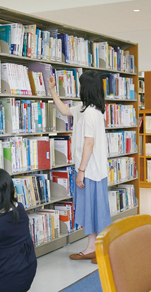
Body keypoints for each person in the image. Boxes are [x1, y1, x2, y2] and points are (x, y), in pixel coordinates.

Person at [47, 71, 111, 264]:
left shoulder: (91, 113)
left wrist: (81, 171)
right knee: (92, 210)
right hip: (90, 169)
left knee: (96, 210)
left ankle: (102, 249)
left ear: (87, 87)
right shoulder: (85, 109)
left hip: (90, 170)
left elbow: (89, 144)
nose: (79, 87)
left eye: (81, 84)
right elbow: (65, 110)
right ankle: (93, 248)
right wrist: (52, 91)